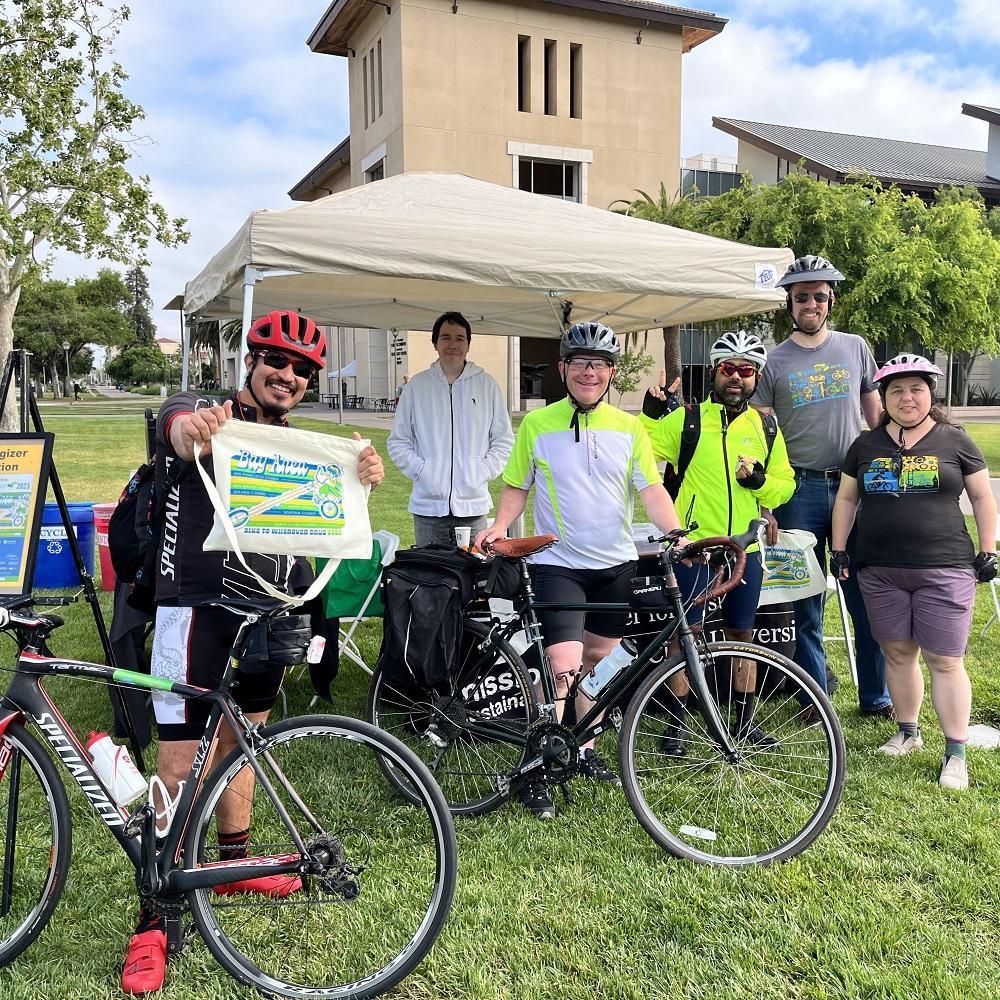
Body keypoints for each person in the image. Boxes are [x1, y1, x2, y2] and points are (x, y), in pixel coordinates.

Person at [121, 309, 385, 995]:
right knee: (178, 766)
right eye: (276, 360)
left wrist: (360, 476)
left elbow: (329, 508)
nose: (287, 375)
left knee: (247, 743)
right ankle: (155, 919)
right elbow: (175, 428)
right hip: (194, 613)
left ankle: (234, 865)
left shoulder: (297, 448)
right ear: (251, 361)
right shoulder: (206, 413)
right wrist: (190, 430)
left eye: (302, 370)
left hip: (268, 613)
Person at [476, 321, 683, 820]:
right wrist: (500, 525)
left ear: (612, 373)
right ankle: (537, 767)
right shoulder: (537, 424)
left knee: (594, 663)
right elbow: (516, 485)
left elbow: (651, 489)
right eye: (580, 363)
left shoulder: (629, 427)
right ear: (564, 369)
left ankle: (579, 746)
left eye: (600, 364)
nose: (589, 372)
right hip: (558, 564)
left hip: (614, 564)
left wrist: (677, 532)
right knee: (563, 667)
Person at [831, 353, 996, 791]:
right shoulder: (865, 445)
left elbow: (981, 498)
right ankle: (908, 732)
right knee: (898, 654)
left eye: (916, 389)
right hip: (880, 569)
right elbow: (846, 500)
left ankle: (955, 752)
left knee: (945, 660)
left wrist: (988, 550)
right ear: (884, 397)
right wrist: (840, 550)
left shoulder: (954, 439)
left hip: (944, 567)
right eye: (897, 390)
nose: (907, 398)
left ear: (930, 394)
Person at [640, 331, 796, 752]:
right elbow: (637, 451)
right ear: (714, 372)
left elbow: (784, 486)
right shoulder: (688, 420)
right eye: (728, 368)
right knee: (684, 636)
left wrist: (761, 482)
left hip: (743, 549)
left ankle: (744, 723)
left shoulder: (764, 426)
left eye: (745, 371)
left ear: (756, 377)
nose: (735, 378)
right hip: (695, 549)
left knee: (741, 635)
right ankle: (676, 725)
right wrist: (651, 415)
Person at [753, 254, 892, 721]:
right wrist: (768, 502)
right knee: (806, 605)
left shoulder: (855, 347)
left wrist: (889, 466)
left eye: (818, 296)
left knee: (864, 598)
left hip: (855, 489)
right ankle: (819, 700)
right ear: (789, 304)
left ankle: (876, 697)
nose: (809, 303)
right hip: (799, 493)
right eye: (800, 297)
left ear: (830, 300)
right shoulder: (772, 362)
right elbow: (761, 433)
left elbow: (875, 415)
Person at [388, 311, 514, 547]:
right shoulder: (417, 386)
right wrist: (422, 471)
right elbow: (398, 441)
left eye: (459, 338)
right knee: (430, 575)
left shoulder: (486, 385)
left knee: (473, 577)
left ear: (468, 345)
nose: (453, 344)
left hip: (473, 507)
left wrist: (482, 471)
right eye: (445, 337)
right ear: (435, 343)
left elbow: (503, 439)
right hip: (427, 508)